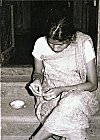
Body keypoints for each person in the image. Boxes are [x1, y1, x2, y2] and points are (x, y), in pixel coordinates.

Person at [28, 17, 99, 140]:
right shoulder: (40, 43)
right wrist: (37, 80)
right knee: (74, 127)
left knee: (72, 102)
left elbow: (93, 85)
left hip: (79, 94)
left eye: (61, 44)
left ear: (71, 39)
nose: (55, 48)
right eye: (51, 43)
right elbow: (38, 71)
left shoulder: (83, 44)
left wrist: (62, 89)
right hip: (50, 94)